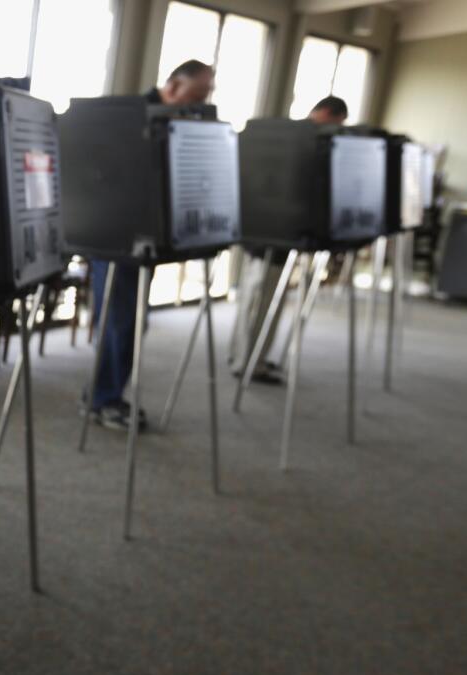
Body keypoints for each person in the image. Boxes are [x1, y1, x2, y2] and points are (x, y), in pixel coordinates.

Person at [88, 60, 215, 430]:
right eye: (197, 94)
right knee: (120, 322)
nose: (201, 102)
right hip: (115, 235)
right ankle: (104, 400)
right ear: (174, 86)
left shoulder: (178, 118)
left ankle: (101, 394)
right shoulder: (127, 114)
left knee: (129, 322)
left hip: (147, 236)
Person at [231, 96, 350, 385]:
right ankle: (249, 362)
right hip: (276, 235)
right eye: (337, 122)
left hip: (258, 231)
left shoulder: (280, 135)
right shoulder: (306, 141)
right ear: (326, 114)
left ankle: (241, 355)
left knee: (253, 297)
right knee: (261, 300)